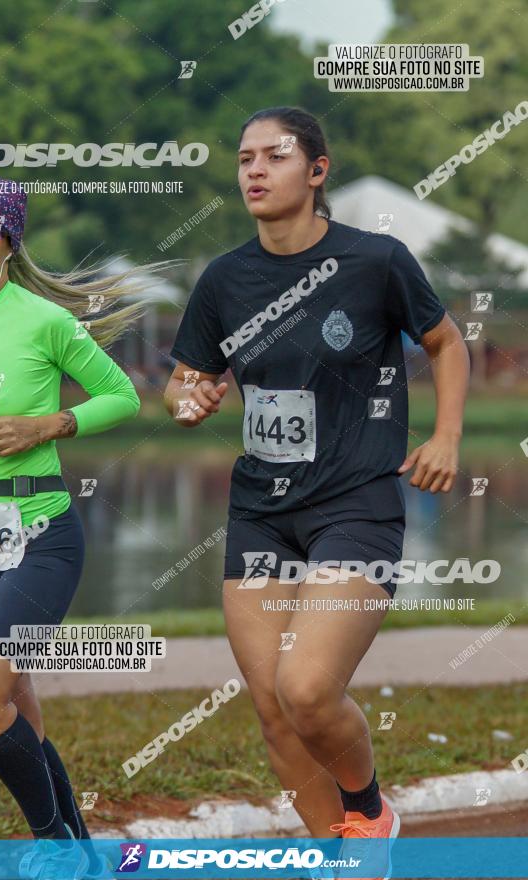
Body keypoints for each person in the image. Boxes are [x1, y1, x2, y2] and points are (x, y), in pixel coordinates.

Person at [164, 107, 470, 878]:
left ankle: (370, 811)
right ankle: (348, 861)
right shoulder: (225, 279)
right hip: (261, 512)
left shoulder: (376, 261)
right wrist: (187, 399)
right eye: (243, 159)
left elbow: (445, 341)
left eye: (275, 155)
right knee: (272, 709)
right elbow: (188, 377)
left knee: (306, 687)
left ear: (318, 171)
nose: (255, 171)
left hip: (354, 503)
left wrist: (445, 437)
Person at [0, 171, 153, 879]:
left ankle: (54, 846)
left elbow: (121, 397)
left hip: (39, 535)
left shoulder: (43, 321)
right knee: (12, 698)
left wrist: (49, 422)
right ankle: (83, 853)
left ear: (9, 242)